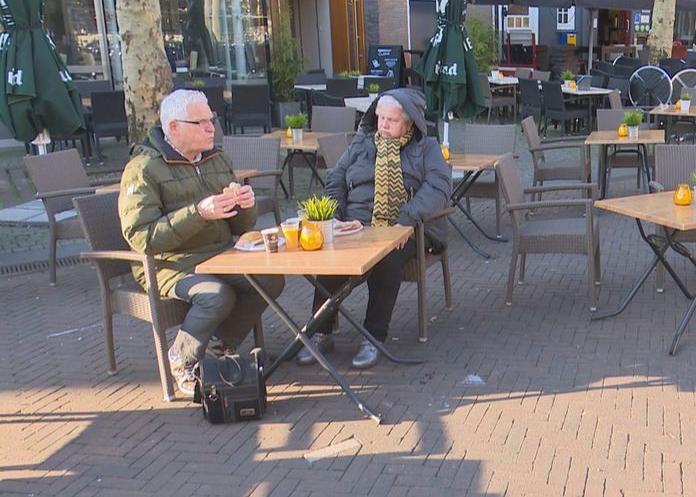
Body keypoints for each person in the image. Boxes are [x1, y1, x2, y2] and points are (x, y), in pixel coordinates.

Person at [118, 90, 284, 395]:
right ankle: (181, 359)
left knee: (270, 279)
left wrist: (246, 206)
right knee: (216, 295)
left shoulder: (217, 159)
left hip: (219, 255)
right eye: (200, 122)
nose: (211, 128)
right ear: (173, 128)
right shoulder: (142, 169)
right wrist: (197, 213)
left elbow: (240, 227)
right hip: (170, 264)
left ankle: (216, 350)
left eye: (211, 120)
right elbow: (143, 238)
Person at [299, 88, 451, 368]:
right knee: (330, 261)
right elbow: (335, 179)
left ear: (409, 123)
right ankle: (320, 332)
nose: (383, 125)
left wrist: (406, 219)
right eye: (380, 118)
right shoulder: (362, 144)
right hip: (353, 225)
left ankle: (373, 336)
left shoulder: (426, 149)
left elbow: (439, 187)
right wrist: (336, 216)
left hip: (403, 229)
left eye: (391, 120)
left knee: (385, 261)